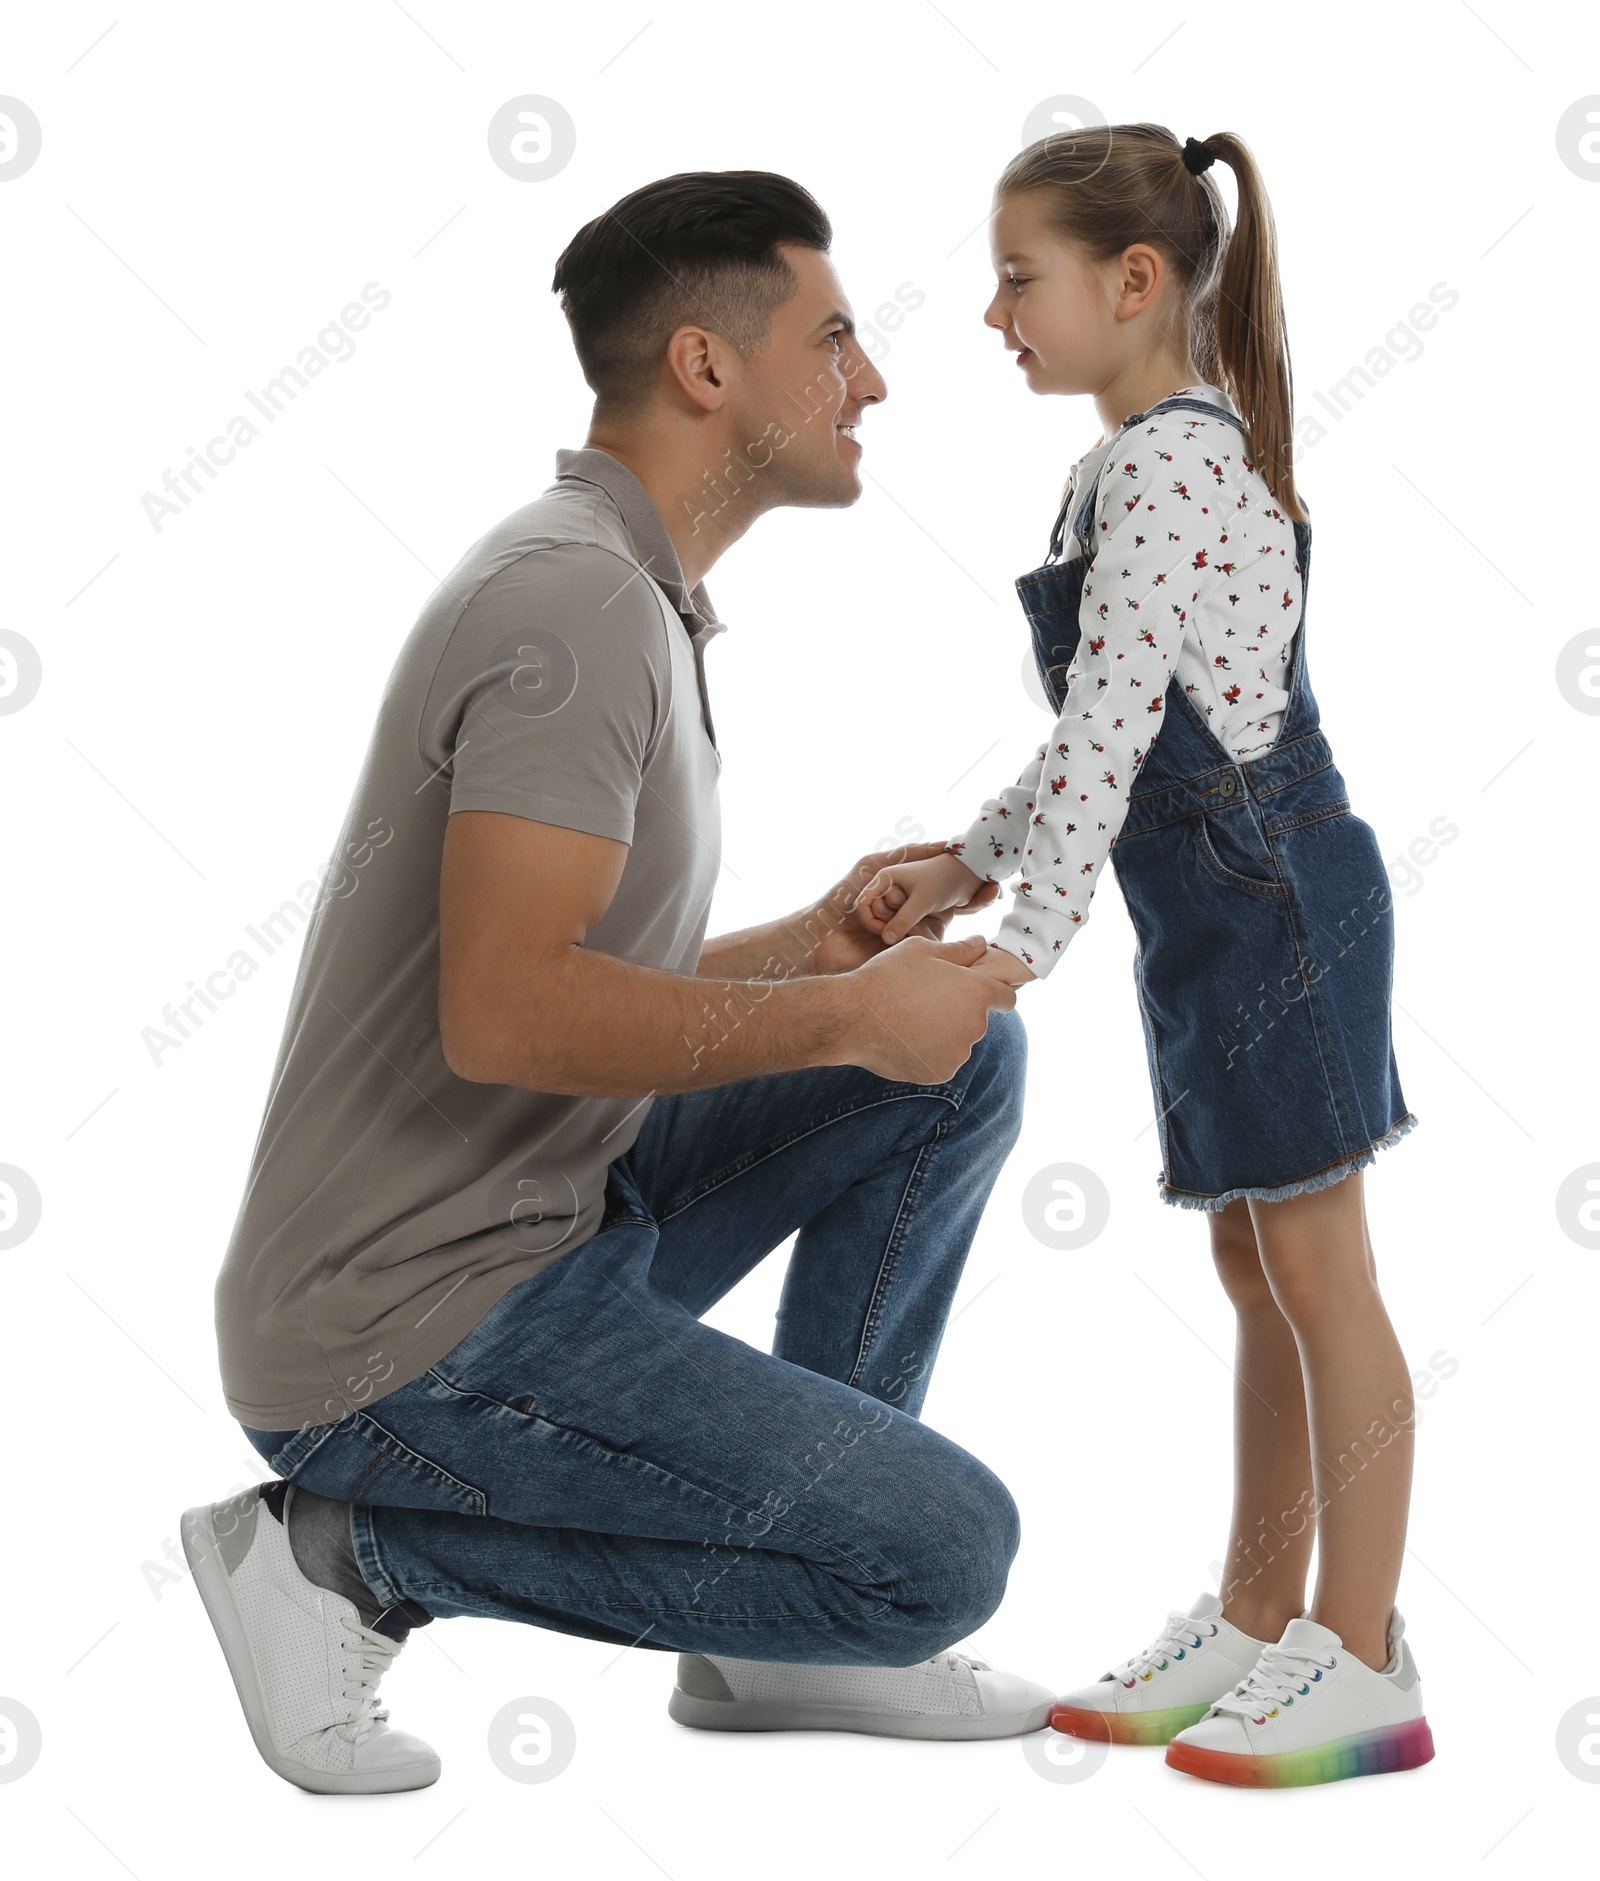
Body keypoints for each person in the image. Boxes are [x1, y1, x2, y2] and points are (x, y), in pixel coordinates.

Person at [179, 170, 1056, 1797]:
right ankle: (345, 1556)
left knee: (952, 1069)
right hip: (398, 1335)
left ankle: (779, 1642)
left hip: (533, 1217)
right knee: (939, 1556)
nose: (874, 381)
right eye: (840, 337)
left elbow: (575, 989)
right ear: (709, 371)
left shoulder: (624, 587)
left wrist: (810, 952)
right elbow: (507, 1016)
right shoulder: (576, 604)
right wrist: (853, 1010)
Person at [854, 125, 1433, 1788]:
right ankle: (1259, 1623)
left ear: (1135, 281)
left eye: (1017, 277)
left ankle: (1367, 1651)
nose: (989, 313)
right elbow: (1102, 732)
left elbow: (1114, 734)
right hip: (1216, 908)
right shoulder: (1138, 461)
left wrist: (1018, 943)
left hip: (1273, 902)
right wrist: (965, 861)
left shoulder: (1171, 466)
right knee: (1257, 1269)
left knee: (1322, 1274)